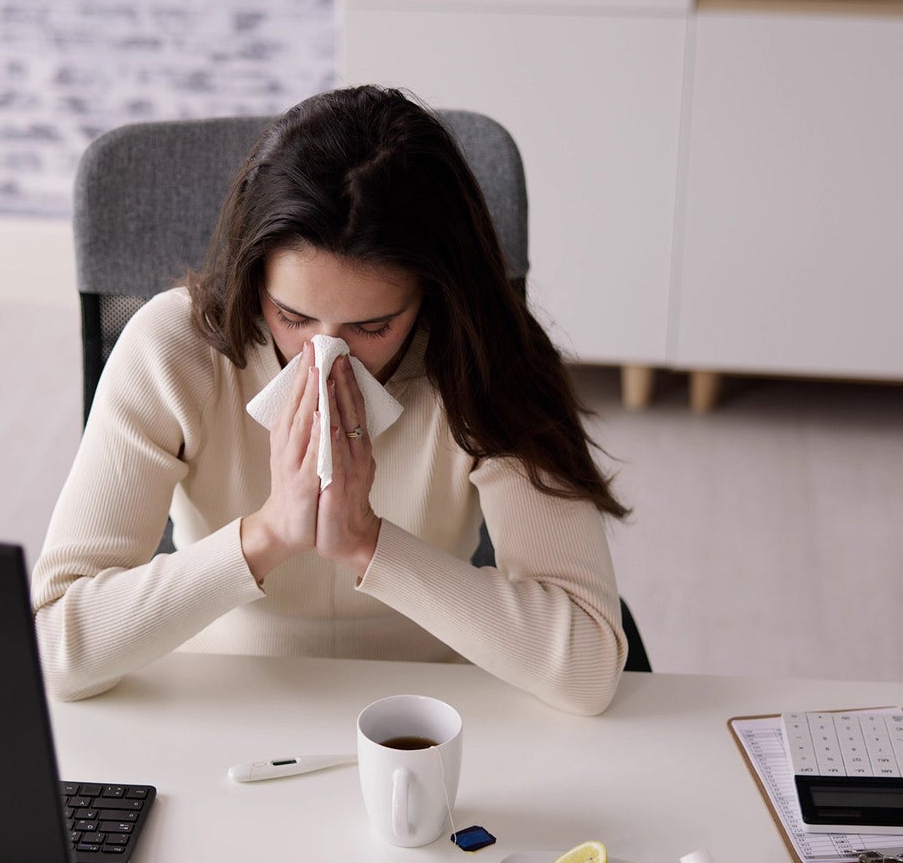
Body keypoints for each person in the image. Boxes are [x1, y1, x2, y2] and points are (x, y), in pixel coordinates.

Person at [32, 85, 631, 715]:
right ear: (252, 273)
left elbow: (588, 666)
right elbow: (53, 647)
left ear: (433, 296)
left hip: (433, 710)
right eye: (292, 316)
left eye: (372, 329)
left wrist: (368, 543)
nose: (326, 358)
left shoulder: (487, 354)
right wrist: (265, 535)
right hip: (220, 702)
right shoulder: (172, 347)